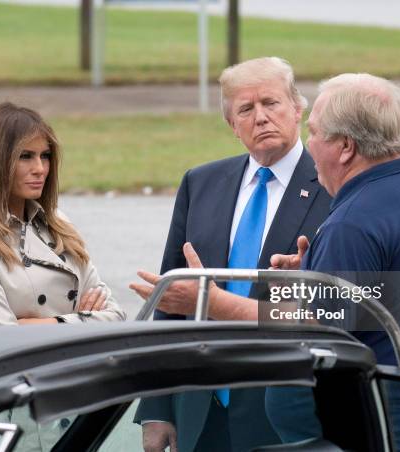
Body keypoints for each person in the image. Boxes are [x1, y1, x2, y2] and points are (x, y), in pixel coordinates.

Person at [141, 73, 400, 451]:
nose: (310, 144)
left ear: (346, 147)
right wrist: (314, 280)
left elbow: (317, 328)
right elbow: (376, 304)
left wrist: (209, 302)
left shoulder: (357, 219)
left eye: (316, 133)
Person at [130, 57, 331, 452]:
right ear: (232, 126)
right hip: (200, 409)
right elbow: (170, 299)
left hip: (286, 415)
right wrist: (157, 407)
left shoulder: (331, 185)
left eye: (271, 103)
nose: (260, 118)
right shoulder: (201, 183)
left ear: (297, 108)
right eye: (246, 109)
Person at [0, 102, 126, 326]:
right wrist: (84, 321)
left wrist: (47, 324)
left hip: (80, 359)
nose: (40, 168)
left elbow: (115, 315)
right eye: (25, 156)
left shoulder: (58, 222)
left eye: (45, 155)